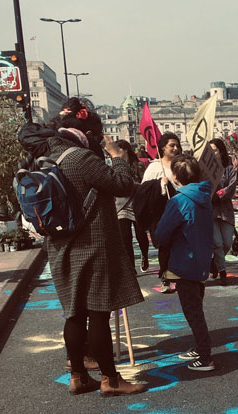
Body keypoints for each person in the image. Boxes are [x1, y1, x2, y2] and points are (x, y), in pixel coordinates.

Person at [18, 98, 146, 396]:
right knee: (99, 313)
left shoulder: (42, 161)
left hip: (60, 247)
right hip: (93, 243)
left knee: (74, 314)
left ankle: (78, 376)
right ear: (84, 133)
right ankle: (111, 380)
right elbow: (122, 185)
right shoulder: (80, 158)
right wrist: (116, 156)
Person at [153, 154, 215, 371]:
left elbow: (161, 233)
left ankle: (205, 357)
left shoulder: (179, 201)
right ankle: (199, 347)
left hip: (185, 260)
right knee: (195, 305)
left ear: (175, 176)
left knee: (192, 311)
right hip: (201, 260)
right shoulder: (204, 196)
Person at [141, 132, 182, 293]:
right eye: (171, 145)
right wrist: (160, 184)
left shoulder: (181, 163)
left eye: (177, 145)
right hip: (161, 213)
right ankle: (165, 277)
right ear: (163, 147)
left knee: (179, 245)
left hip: (180, 209)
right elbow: (144, 190)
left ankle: (178, 276)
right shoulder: (155, 167)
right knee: (165, 246)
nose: (175, 148)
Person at [115, 140, 150, 271]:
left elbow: (144, 183)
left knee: (141, 235)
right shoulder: (113, 165)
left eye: (118, 150)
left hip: (137, 204)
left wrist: (132, 185)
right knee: (125, 238)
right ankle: (131, 267)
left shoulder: (138, 165)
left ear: (125, 150)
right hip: (120, 206)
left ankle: (144, 255)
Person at [207, 138, 237, 285]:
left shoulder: (229, 168)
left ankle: (215, 262)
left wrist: (219, 194)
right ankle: (222, 271)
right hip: (210, 211)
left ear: (221, 151)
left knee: (227, 242)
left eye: (215, 150)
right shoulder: (204, 170)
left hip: (225, 210)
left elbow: (232, 186)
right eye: (210, 151)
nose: (213, 153)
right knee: (217, 243)